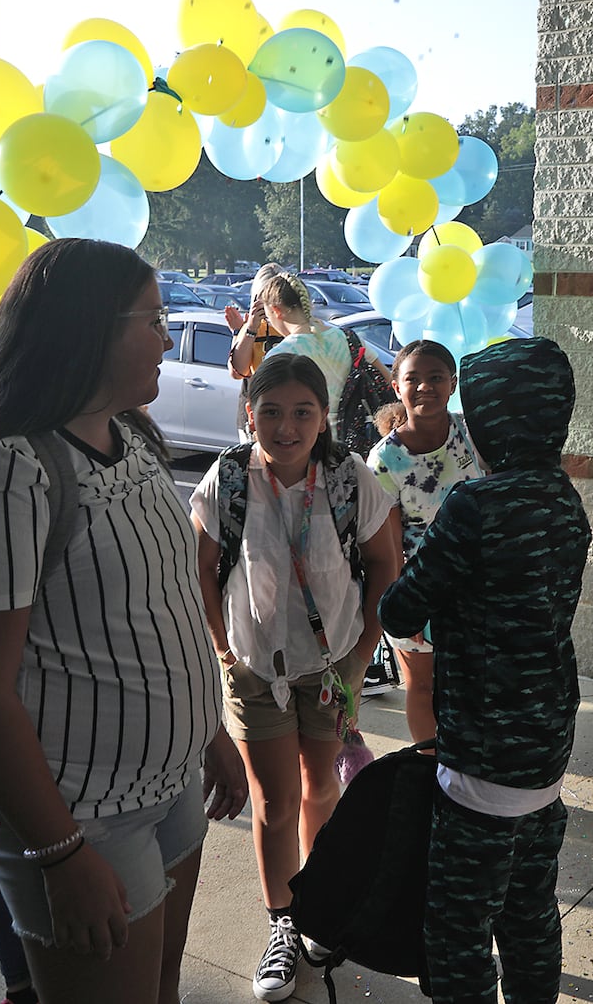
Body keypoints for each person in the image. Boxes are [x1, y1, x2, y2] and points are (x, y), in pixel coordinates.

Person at [0, 238, 248, 1004]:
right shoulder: (1, 472)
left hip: (170, 787)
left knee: (161, 988)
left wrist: (210, 734)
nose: (170, 337)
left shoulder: (128, 435)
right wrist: (58, 854)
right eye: (154, 319)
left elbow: (158, 607)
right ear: (86, 329)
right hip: (85, 819)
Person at [379, 336, 590, 1004]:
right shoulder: (563, 497)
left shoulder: (475, 507)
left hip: (482, 757)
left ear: (494, 418)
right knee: (531, 908)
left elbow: (401, 606)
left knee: (460, 925)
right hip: (547, 745)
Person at [190, 352, 399, 1002]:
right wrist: (224, 651)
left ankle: (318, 907)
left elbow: (384, 568)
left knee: (321, 792)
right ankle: (282, 924)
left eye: (302, 412)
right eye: (271, 411)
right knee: (275, 803)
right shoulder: (226, 481)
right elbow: (201, 572)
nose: (286, 426)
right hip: (254, 671)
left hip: (333, 665)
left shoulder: (346, 477)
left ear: (323, 417)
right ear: (249, 413)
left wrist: (362, 654)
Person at [365, 340, 485, 744]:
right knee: (422, 687)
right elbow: (388, 547)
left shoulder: (471, 432)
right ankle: (428, 769)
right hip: (421, 589)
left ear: (452, 384)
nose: (424, 387)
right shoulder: (385, 460)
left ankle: (469, 769)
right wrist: (409, 607)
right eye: (412, 379)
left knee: (471, 685)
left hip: (478, 586)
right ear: (396, 387)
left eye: (435, 378)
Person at [226, 265, 391, 452]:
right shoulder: (346, 337)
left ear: (276, 311)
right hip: (353, 446)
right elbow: (386, 378)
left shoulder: (282, 353)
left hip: (306, 448)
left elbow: (264, 410)